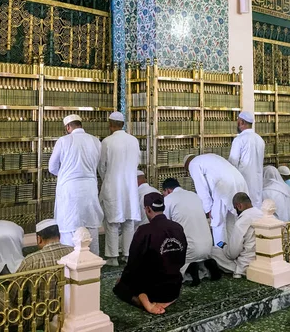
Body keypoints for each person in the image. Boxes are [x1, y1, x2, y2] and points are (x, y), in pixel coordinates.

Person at [113, 193, 187, 315]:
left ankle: (143, 301)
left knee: (119, 287)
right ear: (163, 207)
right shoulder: (177, 227)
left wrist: (124, 281)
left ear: (147, 209)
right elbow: (182, 259)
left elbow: (133, 263)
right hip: (174, 286)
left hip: (151, 289)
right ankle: (168, 300)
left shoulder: (144, 231)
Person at [3, 219, 73, 331]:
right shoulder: (74, 252)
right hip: (70, 311)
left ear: (39, 239)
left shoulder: (31, 260)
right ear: (59, 235)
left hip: (37, 317)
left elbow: (15, 295)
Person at [48, 114, 103, 255]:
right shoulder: (95, 141)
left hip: (70, 191)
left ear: (68, 127)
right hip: (90, 189)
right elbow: (97, 164)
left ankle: (71, 267)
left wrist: (66, 174)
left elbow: (52, 167)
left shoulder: (64, 140)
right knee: (91, 228)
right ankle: (93, 266)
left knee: (69, 228)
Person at [99, 111, 141, 266]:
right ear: (122, 124)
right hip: (130, 186)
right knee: (129, 221)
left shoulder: (107, 142)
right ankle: (128, 255)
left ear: (110, 125)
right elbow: (137, 161)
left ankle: (112, 257)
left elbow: (102, 166)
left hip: (113, 186)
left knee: (112, 223)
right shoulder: (133, 141)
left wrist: (108, 179)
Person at [185, 153, 248, 245]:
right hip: (239, 181)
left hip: (223, 186)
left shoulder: (193, 164)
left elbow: (201, 188)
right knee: (231, 221)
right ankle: (232, 252)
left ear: (187, 165)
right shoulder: (208, 157)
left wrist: (208, 209)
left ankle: (221, 253)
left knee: (217, 223)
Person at [162, 178, 216, 286]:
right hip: (208, 247)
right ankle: (205, 265)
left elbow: (165, 225)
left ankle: (190, 268)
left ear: (167, 190)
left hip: (189, 250)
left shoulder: (168, 199)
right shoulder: (194, 196)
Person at [210, 192, 263, 278]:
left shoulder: (242, 222)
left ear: (239, 206)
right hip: (264, 262)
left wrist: (225, 247)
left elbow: (232, 254)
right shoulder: (261, 214)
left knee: (212, 251)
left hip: (246, 265)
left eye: (235, 208)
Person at [228, 111, 265, 209]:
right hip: (258, 183)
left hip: (243, 182)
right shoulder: (260, 139)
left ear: (242, 122)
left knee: (245, 213)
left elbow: (232, 164)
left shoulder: (239, 139)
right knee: (256, 211)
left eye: (238, 121)